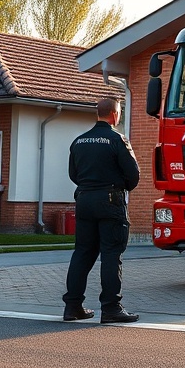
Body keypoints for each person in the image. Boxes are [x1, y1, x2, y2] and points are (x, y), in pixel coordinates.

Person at [62, 96, 140, 323]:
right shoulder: (118, 140)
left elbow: (73, 175)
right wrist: (120, 187)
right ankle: (111, 308)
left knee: (82, 253)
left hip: (84, 200)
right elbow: (133, 175)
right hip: (110, 201)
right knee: (111, 254)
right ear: (115, 115)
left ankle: (72, 307)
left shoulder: (78, 141)